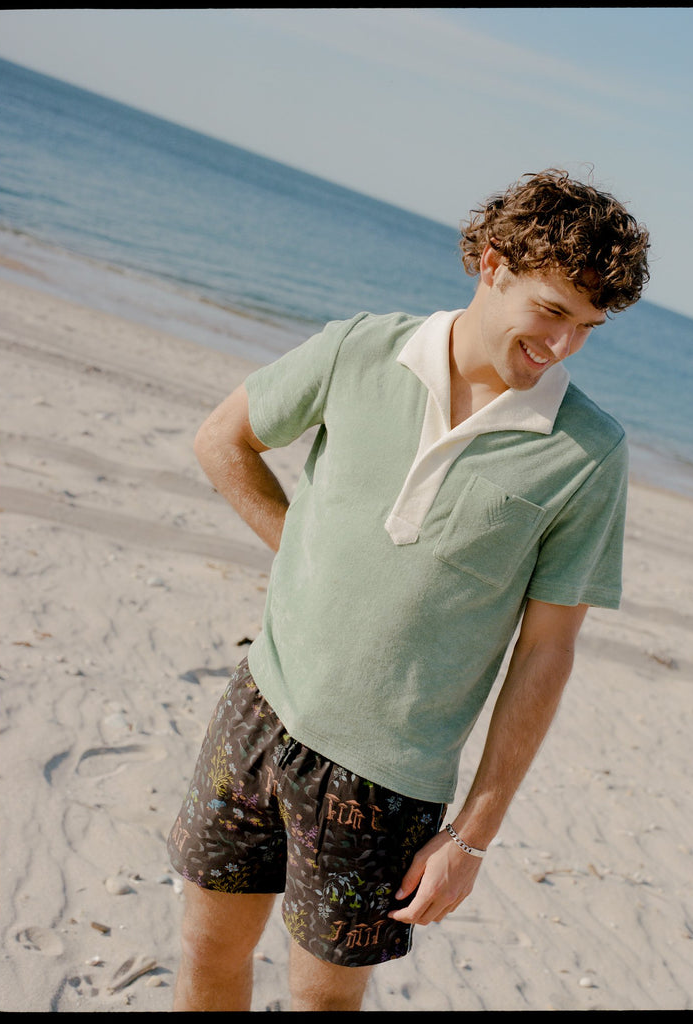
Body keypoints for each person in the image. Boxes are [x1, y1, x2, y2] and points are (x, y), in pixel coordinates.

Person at [167, 168, 650, 1012]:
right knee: (208, 952)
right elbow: (222, 441)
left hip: (384, 787)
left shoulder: (587, 454)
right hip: (258, 710)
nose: (564, 346)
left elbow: (546, 654)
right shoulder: (361, 347)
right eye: (553, 311)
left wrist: (473, 836)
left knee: (324, 1004)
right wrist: (307, 559)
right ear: (492, 263)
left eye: (589, 328)